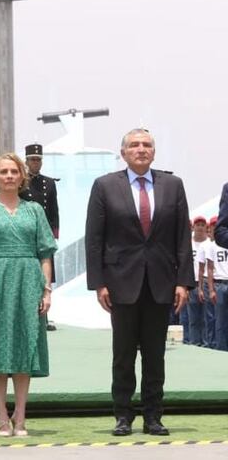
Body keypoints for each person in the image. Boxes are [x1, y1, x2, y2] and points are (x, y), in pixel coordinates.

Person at [85, 128, 191, 436]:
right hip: (120, 284)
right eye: (134, 145)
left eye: (146, 145)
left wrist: (183, 281)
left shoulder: (173, 185)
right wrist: (99, 283)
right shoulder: (105, 186)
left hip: (161, 282)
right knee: (123, 354)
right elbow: (94, 239)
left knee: (155, 355)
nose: (141, 149)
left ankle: (153, 416)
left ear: (154, 152)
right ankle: (122, 415)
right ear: (124, 152)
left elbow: (182, 238)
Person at [0, 153, 56, 437]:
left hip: (29, 278)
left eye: (14, 172)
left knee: (24, 343)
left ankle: (21, 415)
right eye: (3, 172)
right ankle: (2, 413)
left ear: (21, 176)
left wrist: (46, 289)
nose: (8, 176)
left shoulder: (35, 210)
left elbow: (45, 253)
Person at [19, 143, 60, 331]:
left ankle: (44, 316)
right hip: (25, 235)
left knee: (45, 277)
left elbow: (54, 210)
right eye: (32, 159)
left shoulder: (49, 183)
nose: (35, 163)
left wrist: (54, 234)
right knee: (27, 276)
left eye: (38, 160)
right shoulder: (20, 181)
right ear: (26, 162)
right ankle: (26, 317)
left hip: (43, 234)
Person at [185, 218, 215, 347]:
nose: (200, 227)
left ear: (207, 228)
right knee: (192, 317)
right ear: (193, 227)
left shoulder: (210, 244)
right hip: (191, 283)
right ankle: (193, 342)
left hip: (206, 283)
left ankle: (206, 343)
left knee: (207, 317)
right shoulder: (187, 244)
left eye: (203, 225)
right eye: (198, 225)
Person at [209, 215, 228, 351]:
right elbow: (209, 269)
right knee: (220, 320)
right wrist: (211, 289)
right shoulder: (212, 246)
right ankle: (221, 349)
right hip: (220, 284)